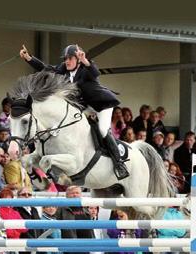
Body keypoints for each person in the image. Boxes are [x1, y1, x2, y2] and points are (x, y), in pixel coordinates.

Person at [20, 44, 128, 180]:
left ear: (77, 60)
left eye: (70, 58)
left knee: (102, 129)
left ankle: (119, 163)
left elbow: (95, 73)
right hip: (84, 106)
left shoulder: (85, 70)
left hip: (101, 105)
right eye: (66, 58)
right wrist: (29, 58)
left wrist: (85, 61)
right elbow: (46, 69)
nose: (67, 61)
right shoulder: (63, 70)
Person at [56, 186, 94, 254]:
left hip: (85, 244)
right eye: (72, 193)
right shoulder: (61, 208)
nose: (75, 195)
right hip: (70, 245)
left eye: (77, 193)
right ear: (67, 196)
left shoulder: (85, 206)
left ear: (81, 195)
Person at [15, 187, 40, 254]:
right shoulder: (16, 209)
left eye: (29, 194)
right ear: (18, 196)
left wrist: (39, 240)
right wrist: (33, 241)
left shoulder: (34, 209)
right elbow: (20, 228)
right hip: (23, 246)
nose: (27, 196)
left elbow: (39, 226)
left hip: (36, 245)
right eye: (24, 194)